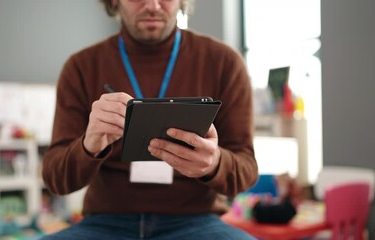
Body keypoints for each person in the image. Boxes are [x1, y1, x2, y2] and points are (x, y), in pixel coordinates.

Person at [41, 0, 258, 239]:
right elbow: (55, 181)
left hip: (195, 222)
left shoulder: (224, 63)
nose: (153, 6)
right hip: (106, 223)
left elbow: (246, 173)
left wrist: (214, 163)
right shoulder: (81, 67)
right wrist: (88, 146)